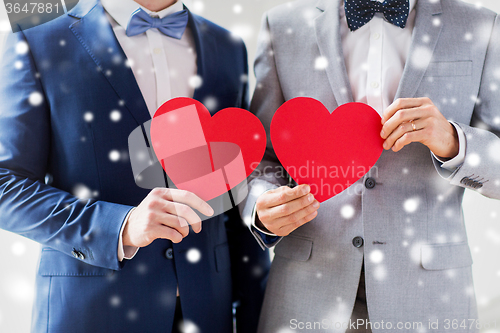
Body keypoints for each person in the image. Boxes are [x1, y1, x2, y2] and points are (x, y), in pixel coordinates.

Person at [0, 0, 269, 332]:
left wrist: (255, 318)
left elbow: (233, 188)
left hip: (207, 312)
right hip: (91, 313)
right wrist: (120, 226)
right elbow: (6, 183)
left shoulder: (228, 46)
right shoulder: (37, 33)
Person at [241, 0, 500, 332]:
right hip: (307, 291)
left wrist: (453, 141)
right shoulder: (282, 25)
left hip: (429, 297)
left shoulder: (480, 25)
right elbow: (261, 157)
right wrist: (262, 208)